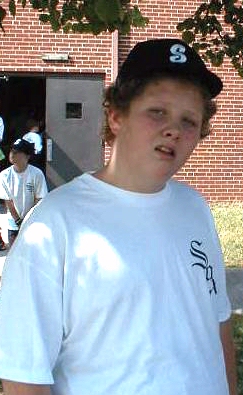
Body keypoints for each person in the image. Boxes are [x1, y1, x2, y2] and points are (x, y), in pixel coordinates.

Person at [0, 38, 237, 395]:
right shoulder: (54, 226)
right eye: (157, 112)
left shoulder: (195, 208)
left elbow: (217, 327)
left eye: (189, 120)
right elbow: (24, 378)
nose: (174, 129)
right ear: (116, 116)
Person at [0, 138, 48, 247]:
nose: (12, 154)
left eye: (17, 152)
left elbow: (39, 199)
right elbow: (8, 201)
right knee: (14, 254)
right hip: (13, 222)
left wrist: (27, 219)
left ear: (27, 156)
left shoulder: (36, 174)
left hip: (33, 221)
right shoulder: (4, 175)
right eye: (12, 150)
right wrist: (18, 220)